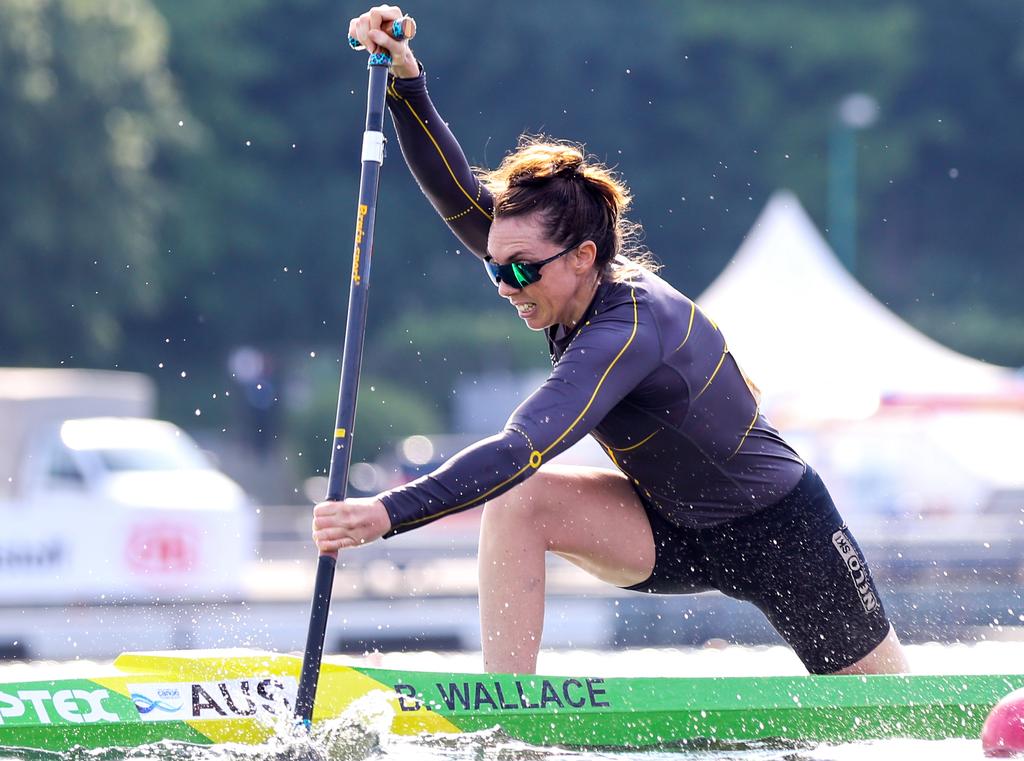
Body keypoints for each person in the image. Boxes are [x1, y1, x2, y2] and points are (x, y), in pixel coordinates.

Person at [314, 4, 910, 677]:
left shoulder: (628, 327)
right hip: (667, 526)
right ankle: (508, 711)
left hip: (781, 531)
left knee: (885, 713)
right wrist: (404, 80)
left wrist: (386, 513)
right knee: (521, 504)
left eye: (518, 271)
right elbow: (457, 194)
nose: (505, 285)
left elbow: (522, 446)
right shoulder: (547, 267)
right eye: (492, 267)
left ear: (581, 256)